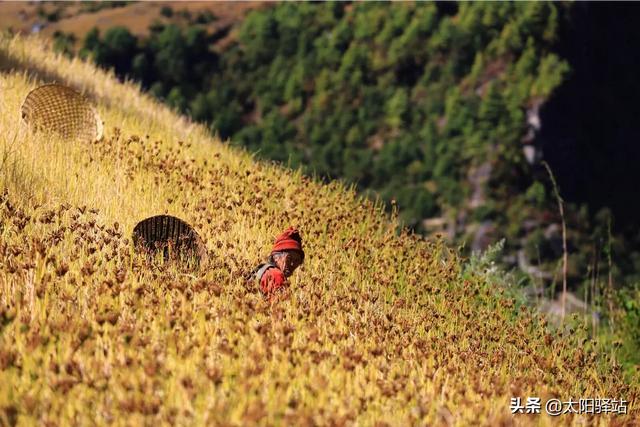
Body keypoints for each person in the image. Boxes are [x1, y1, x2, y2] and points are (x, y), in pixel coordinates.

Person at [253, 227, 304, 299]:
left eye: (296, 261)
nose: (292, 264)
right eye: (289, 258)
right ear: (276, 257)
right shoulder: (276, 275)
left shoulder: (264, 270)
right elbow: (280, 307)